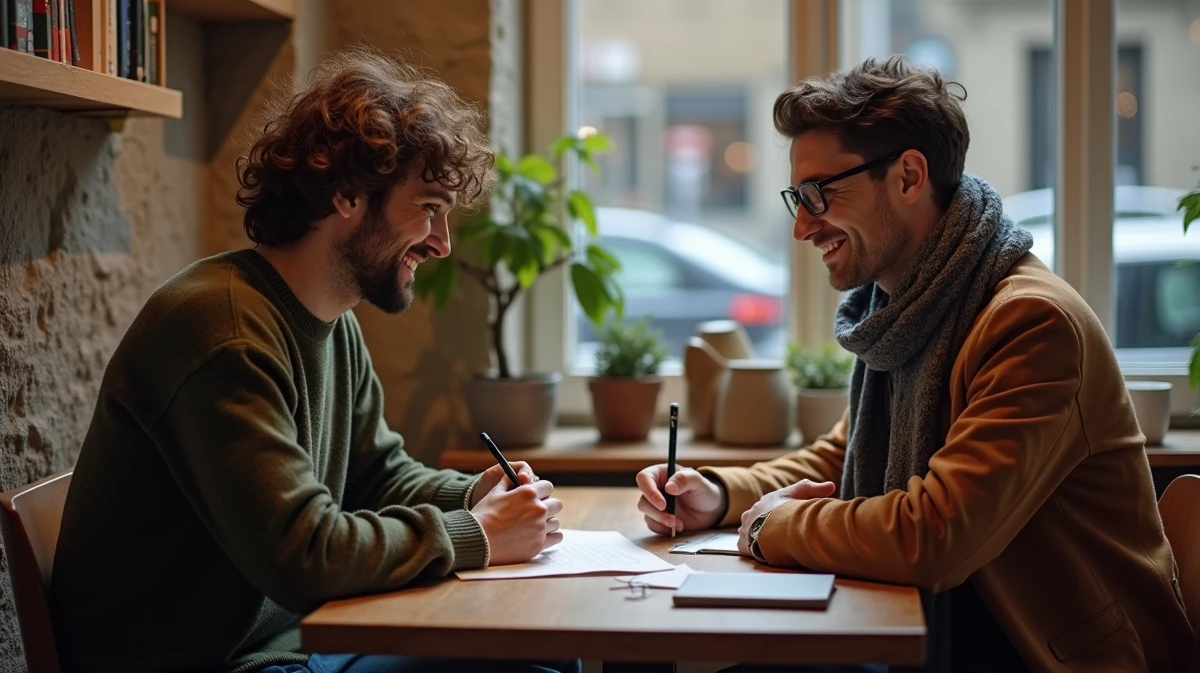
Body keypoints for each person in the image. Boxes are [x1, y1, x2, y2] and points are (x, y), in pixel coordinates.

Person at [635, 57, 1192, 673]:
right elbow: (840, 458)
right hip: (946, 633)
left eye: (819, 193)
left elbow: (935, 536)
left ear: (907, 176)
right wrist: (717, 495)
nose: (800, 226)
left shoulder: (1031, 323)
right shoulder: (911, 310)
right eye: (797, 197)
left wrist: (777, 527)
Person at [51, 49, 577, 673]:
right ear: (346, 194)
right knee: (535, 661)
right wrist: (480, 535)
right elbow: (304, 557)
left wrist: (476, 495)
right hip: (223, 662)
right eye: (429, 206)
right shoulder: (221, 330)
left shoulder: (333, 324)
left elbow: (376, 475)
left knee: (541, 653)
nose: (441, 243)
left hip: (300, 639)